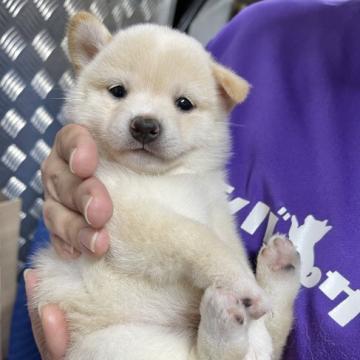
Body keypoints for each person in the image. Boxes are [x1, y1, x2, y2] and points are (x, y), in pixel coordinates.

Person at [22, 0, 360, 359]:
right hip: (112, 326)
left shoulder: (204, 177)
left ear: (221, 104)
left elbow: (225, 263)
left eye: (183, 104)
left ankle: (241, 337)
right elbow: (124, 231)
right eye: (119, 92)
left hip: (190, 328)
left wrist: (229, 275)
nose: (145, 120)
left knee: (252, 334)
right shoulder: (260, 28)